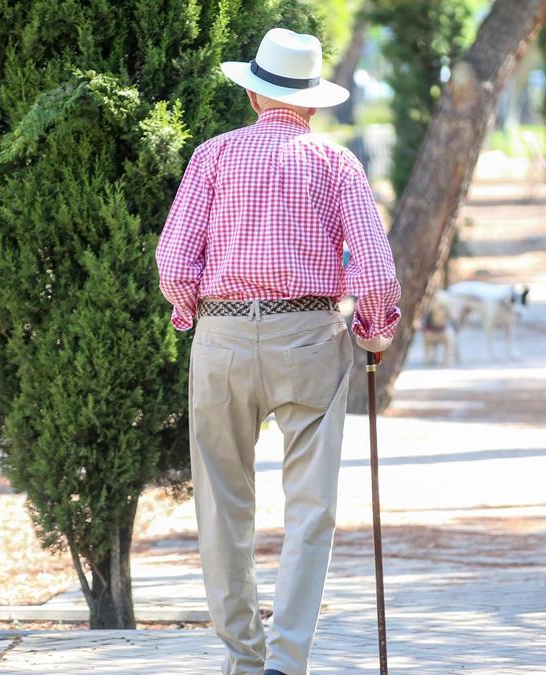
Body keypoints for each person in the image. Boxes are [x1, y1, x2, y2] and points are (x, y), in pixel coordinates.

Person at [156, 28, 402, 675]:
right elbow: (375, 276)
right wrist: (374, 326)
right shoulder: (337, 165)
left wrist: (196, 311)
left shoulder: (212, 156)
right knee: (311, 508)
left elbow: (174, 262)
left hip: (223, 339)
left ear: (252, 95)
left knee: (222, 503)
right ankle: (286, 661)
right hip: (309, 340)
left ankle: (243, 654)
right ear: (313, 104)